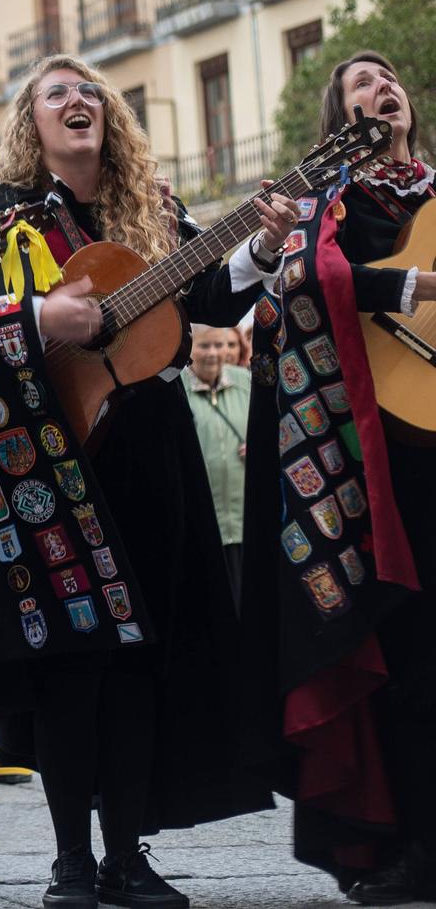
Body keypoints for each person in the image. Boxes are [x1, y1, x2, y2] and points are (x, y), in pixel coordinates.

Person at [0, 56, 292, 909]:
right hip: (45, 457)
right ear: (30, 121)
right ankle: (70, 859)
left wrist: (262, 244)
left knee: (142, 659)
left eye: (91, 93)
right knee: (72, 661)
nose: (78, 102)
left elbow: (211, 303)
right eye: (58, 94)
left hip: (151, 451)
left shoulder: (154, 211)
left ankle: (127, 852)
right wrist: (45, 316)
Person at [238, 50, 436, 903]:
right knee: (405, 651)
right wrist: (411, 283)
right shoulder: (325, 204)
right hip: (370, 459)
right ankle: (414, 843)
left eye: (387, 77)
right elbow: (298, 285)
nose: (378, 86)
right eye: (359, 82)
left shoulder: (433, 194)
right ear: (338, 120)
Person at [181, 325, 249, 604]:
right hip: (204, 524)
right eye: (205, 346)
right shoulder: (176, 391)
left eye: (220, 345)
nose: (214, 354)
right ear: (189, 350)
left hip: (247, 518)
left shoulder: (247, 382)